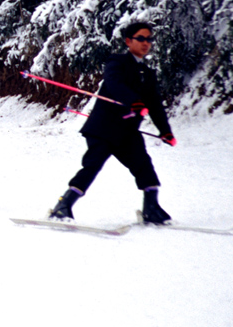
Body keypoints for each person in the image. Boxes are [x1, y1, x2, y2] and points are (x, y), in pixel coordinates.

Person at [49, 21, 177, 224]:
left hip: (127, 132)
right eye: (141, 38)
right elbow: (114, 84)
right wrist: (133, 101)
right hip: (103, 128)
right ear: (128, 41)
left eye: (149, 39)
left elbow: (154, 104)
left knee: (144, 166)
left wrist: (165, 131)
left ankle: (151, 209)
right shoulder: (116, 62)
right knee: (92, 165)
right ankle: (63, 205)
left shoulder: (147, 73)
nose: (146, 43)